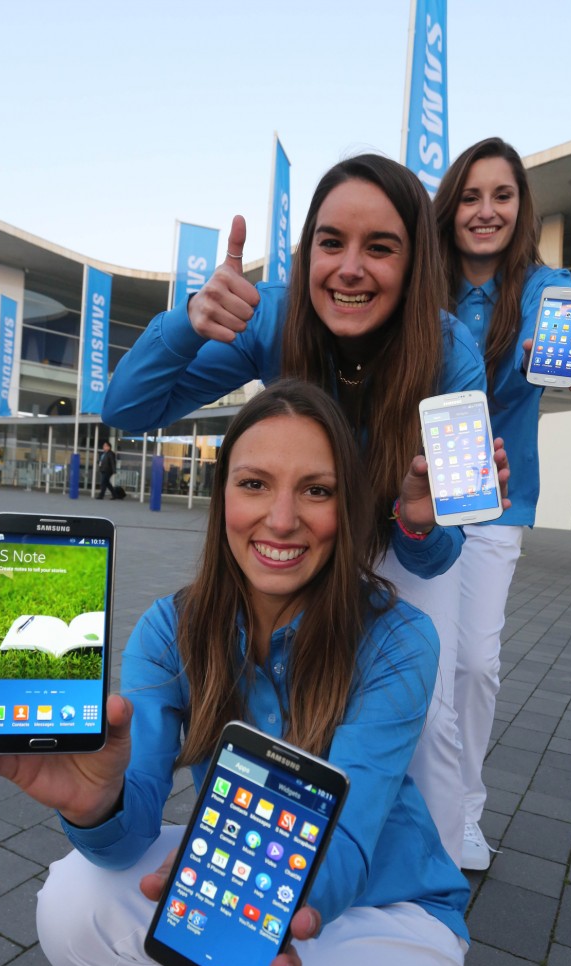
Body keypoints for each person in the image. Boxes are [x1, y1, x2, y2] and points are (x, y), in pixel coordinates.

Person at [0, 380, 469, 966]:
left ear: (346, 508)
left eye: (316, 491)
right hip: (244, 870)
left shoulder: (399, 638)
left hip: (389, 908)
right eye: (254, 484)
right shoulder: (173, 628)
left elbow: (347, 842)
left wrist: (246, 901)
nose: (281, 520)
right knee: (74, 901)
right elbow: (131, 828)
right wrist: (96, 804)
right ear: (222, 494)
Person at [102, 153, 510, 871]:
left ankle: (429, 887)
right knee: (285, 692)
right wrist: (189, 323)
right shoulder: (275, 314)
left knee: (429, 714)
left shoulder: (449, 354)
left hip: (389, 538)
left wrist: (418, 520)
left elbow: (436, 556)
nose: (350, 268)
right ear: (307, 251)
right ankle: (284, 856)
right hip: (298, 528)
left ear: (415, 261)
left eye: (379, 247)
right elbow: (126, 408)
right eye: (331, 243)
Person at [433, 137, 571, 869]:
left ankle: (465, 810)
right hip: (414, 489)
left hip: (494, 499)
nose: (486, 211)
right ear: (451, 207)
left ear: (520, 207)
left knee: (474, 662)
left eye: (501, 196)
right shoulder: (424, 283)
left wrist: (549, 355)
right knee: (417, 660)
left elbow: (544, 347)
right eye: (471, 196)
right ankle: (411, 806)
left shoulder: (547, 285)